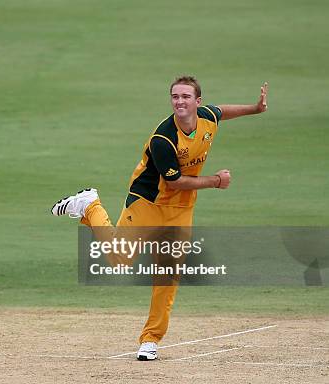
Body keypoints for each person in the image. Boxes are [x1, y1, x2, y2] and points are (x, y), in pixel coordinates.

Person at [51, 76, 268, 360]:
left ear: (197, 102)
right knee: (119, 259)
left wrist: (255, 108)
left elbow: (221, 111)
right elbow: (176, 181)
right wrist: (216, 181)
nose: (180, 101)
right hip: (148, 201)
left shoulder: (207, 117)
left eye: (186, 97)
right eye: (175, 97)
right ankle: (90, 205)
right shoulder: (163, 139)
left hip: (181, 209)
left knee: (168, 275)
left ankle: (150, 339)